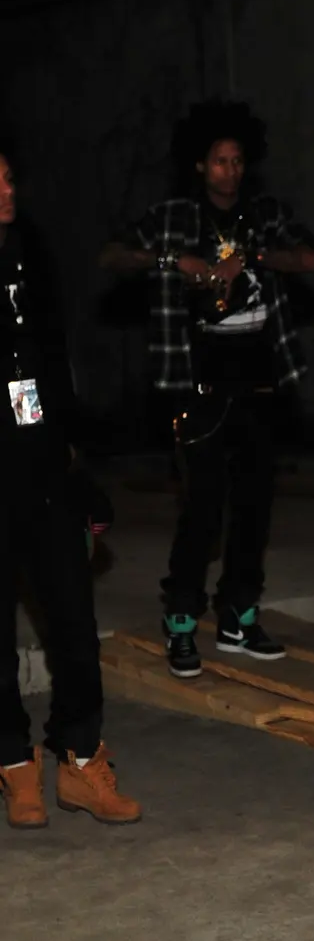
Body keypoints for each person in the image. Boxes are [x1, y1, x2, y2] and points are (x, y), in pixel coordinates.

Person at [100, 102, 314, 678]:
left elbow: (310, 257)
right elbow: (113, 256)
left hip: (259, 378)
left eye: (238, 160)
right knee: (202, 505)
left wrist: (252, 257)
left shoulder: (263, 214)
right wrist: (173, 260)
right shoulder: (174, 216)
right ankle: (181, 620)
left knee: (254, 505)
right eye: (220, 161)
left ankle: (239, 616)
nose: (231, 171)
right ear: (200, 165)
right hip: (198, 380)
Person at [0, 143, 140, 828]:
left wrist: (74, 455)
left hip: (45, 467)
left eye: (7, 177)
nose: (6, 190)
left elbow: (55, 358)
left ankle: (81, 759)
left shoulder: (30, 251)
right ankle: (13, 764)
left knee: (75, 625)